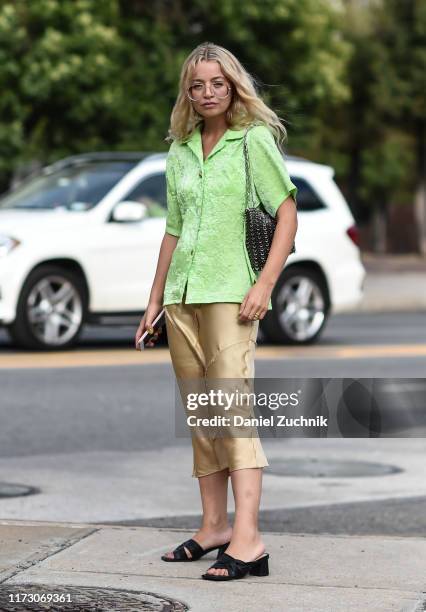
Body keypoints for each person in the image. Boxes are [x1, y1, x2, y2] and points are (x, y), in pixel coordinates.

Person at [135, 42, 298, 582]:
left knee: (232, 412)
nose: (207, 93)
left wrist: (264, 286)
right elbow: (173, 230)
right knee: (204, 416)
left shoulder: (252, 141)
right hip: (183, 295)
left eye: (218, 84)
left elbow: (286, 215)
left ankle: (249, 541)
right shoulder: (179, 150)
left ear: (233, 87)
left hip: (233, 293)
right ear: (188, 91)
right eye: (198, 85)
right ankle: (214, 527)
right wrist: (155, 300)